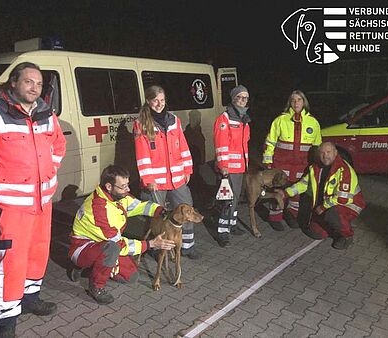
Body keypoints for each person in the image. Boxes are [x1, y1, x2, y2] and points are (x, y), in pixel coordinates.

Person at [0, 62, 66, 337]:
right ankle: (6, 320)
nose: (34, 88)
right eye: (28, 82)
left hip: (43, 202)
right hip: (13, 207)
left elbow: (58, 144)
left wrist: (50, 169)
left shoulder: (46, 112)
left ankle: (31, 298)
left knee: (38, 253)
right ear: (13, 83)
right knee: (12, 261)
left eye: (38, 83)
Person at [67, 165, 175, 305]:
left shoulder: (117, 196)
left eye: (127, 185)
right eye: (123, 186)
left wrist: (161, 211)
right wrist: (150, 244)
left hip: (102, 244)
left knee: (130, 276)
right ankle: (96, 286)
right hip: (82, 248)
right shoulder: (99, 209)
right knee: (111, 249)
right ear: (109, 186)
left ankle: (92, 267)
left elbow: (139, 206)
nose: (128, 189)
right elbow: (118, 245)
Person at [133, 85, 201, 259]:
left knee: (186, 210)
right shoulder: (141, 124)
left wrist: (188, 169)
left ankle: (187, 246)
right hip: (156, 182)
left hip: (177, 178)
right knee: (159, 217)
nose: (159, 104)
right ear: (148, 101)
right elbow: (142, 156)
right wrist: (148, 179)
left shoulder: (174, 120)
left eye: (162, 100)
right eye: (155, 100)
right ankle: (158, 249)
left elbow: (183, 147)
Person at [276, 142, 365, 249]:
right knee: (315, 233)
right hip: (327, 206)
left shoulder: (344, 170)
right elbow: (303, 184)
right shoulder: (316, 168)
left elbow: (342, 199)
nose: (325, 155)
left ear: (335, 153)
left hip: (349, 205)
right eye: (322, 152)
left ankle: (347, 236)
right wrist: (285, 193)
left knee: (332, 215)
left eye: (328, 152)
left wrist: (322, 207)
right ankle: (333, 228)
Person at [262, 89, 321, 231]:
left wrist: (317, 165)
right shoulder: (280, 120)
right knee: (278, 190)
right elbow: (270, 143)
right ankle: (275, 217)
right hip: (281, 164)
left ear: (304, 102)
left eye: (299, 100)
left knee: (296, 193)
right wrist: (268, 163)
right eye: (293, 100)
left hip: (302, 166)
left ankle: (292, 215)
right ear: (290, 102)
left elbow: (317, 147)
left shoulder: (313, 123)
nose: (296, 103)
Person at [213, 85, 251, 247]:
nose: (242, 100)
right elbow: (221, 144)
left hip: (240, 168)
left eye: (245, 98)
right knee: (228, 200)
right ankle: (223, 232)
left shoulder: (243, 118)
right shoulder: (225, 118)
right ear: (233, 98)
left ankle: (232, 224)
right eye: (240, 97)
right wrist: (223, 166)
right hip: (229, 169)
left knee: (235, 199)